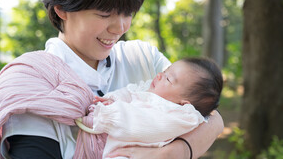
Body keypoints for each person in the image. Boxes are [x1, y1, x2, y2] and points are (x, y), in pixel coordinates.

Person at [0, 0, 224, 159]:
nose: (120, 27)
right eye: (104, 14)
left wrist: (172, 154)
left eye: (128, 13)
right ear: (61, 9)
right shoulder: (32, 82)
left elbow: (211, 119)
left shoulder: (141, 57)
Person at [78, 57, 223, 158]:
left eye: (168, 78)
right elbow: (130, 92)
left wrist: (109, 114)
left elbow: (140, 122)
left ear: (184, 104)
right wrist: (113, 99)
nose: (160, 75)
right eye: (165, 71)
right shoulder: (152, 92)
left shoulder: (175, 115)